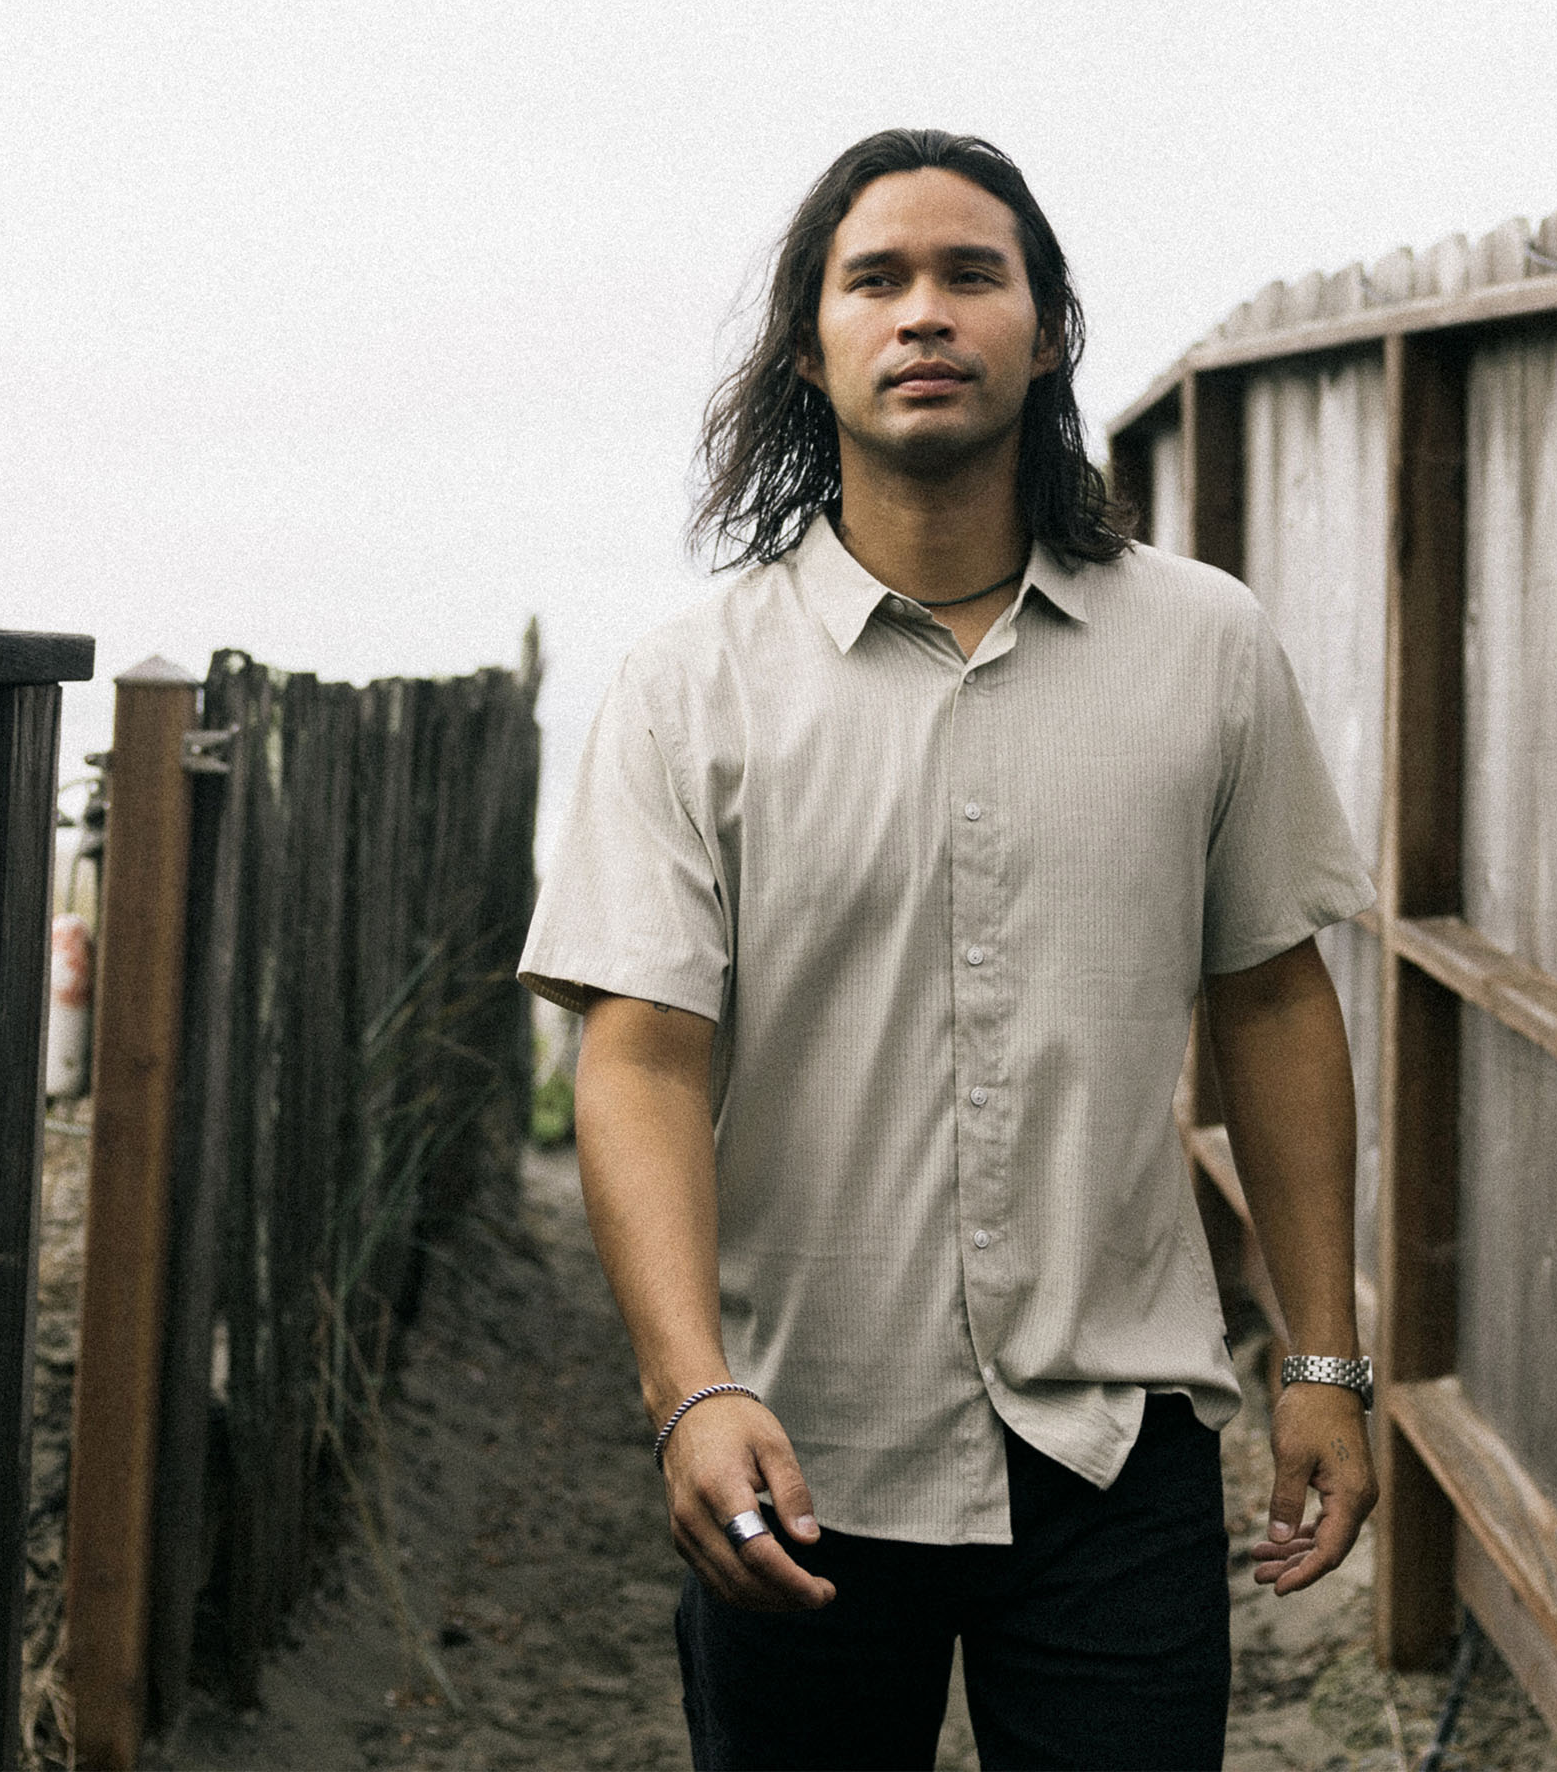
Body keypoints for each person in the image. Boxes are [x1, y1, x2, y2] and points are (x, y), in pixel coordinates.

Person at [519, 128, 1378, 1771]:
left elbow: (1273, 997)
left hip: (1120, 1446)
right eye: (877, 281)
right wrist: (690, 1391)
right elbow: (637, 1056)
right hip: (795, 1451)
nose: (925, 313)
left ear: (1045, 329)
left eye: (971, 275)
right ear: (810, 343)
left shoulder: (1205, 648)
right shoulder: (695, 688)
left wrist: (1323, 1361)